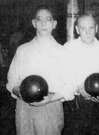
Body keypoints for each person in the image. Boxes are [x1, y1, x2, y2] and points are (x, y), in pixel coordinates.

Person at [6, 5, 73, 135]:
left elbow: (70, 85)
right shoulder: (22, 50)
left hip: (51, 107)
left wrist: (51, 98)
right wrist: (19, 92)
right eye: (39, 19)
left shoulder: (63, 52)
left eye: (48, 19)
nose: (43, 23)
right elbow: (11, 80)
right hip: (24, 107)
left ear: (54, 24)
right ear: (34, 23)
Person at [62, 14, 99, 135]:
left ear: (96, 28)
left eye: (91, 28)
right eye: (83, 28)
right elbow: (64, 78)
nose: (87, 32)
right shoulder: (68, 48)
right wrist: (77, 88)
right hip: (76, 105)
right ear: (77, 30)